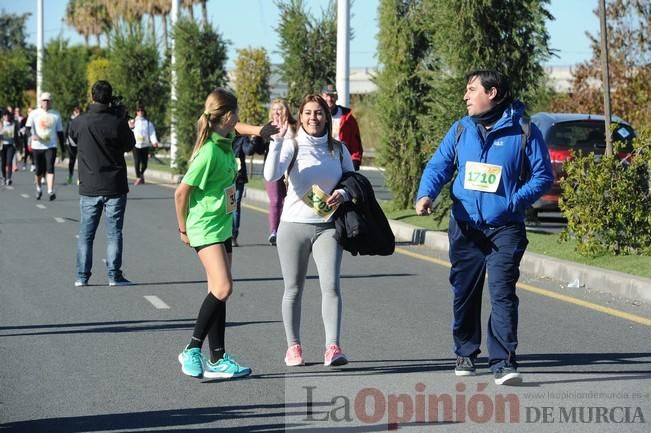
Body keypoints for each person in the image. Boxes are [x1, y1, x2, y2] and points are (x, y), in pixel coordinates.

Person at [415, 69, 553, 385]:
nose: (465, 96)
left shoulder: (523, 130)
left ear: (491, 93)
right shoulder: (462, 129)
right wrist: (426, 194)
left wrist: (512, 202)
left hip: (506, 228)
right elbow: (439, 165)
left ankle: (503, 362)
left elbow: (543, 176)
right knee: (464, 292)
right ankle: (465, 351)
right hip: (466, 227)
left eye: (471, 89)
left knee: (502, 292)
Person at [264, 94, 355, 367]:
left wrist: (342, 193)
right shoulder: (291, 146)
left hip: (327, 227)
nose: (313, 118)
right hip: (293, 227)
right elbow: (271, 175)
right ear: (300, 117)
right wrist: (276, 143)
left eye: (318, 113)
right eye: (307, 113)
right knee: (293, 288)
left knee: (331, 286)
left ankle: (333, 347)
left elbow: (354, 182)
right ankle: (293, 347)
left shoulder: (339, 149)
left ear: (326, 117)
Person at [174, 88, 252, 380]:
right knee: (223, 288)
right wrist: (183, 229)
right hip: (204, 226)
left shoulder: (224, 140)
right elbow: (181, 193)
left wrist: (260, 130)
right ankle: (192, 349)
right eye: (237, 114)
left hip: (221, 223)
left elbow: (239, 128)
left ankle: (218, 358)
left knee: (217, 292)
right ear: (228, 116)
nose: (239, 120)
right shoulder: (208, 152)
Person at [69, 80, 136, 287]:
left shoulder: (79, 122)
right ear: (109, 98)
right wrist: (122, 120)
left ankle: (82, 276)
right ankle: (114, 276)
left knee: (86, 234)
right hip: (114, 185)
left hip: (89, 185)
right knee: (114, 232)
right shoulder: (116, 122)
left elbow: (72, 146)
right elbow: (130, 145)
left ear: (92, 97)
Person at [264, 99, 297, 245]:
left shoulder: (295, 127)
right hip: (272, 168)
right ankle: (274, 231)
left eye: (279, 109)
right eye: (274, 109)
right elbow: (258, 148)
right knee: (276, 201)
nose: (276, 112)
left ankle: (287, 231)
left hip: (291, 168)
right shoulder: (268, 128)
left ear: (286, 110)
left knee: (289, 201)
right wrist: (254, 140)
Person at [25, 93, 64, 200]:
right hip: (37, 146)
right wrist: (32, 136)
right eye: (44, 100)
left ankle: (50, 191)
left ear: (51, 102)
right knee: (38, 170)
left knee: (50, 168)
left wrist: (63, 149)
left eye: (48, 101)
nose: (46, 103)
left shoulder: (56, 114)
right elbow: (27, 128)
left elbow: (60, 132)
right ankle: (38, 188)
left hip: (51, 146)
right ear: (40, 102)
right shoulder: (34, 113)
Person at [321, 84, 363, 171]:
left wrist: (355, 159)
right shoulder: (317, 116)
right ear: (322, 97)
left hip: (342, 160)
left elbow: (355, 141)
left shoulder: (348, 117)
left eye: (332, 96)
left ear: (337, 97)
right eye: (327, 95)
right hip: (321, 159)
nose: (329, 99)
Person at [130, 104, 160, 185]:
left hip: (145, 145)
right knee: (137, 162)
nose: (140, 112)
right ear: (136, 112)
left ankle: (141, 174)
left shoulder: (148, 123)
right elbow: (129, 132)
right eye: (139, 111)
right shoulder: (133, 122)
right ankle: (138, 177)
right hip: (136, 145)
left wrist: (154, 141)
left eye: (142, 111)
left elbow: (152, 133)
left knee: (144, 164)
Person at [65, 105, 82, 184]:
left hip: (80, 143)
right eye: (76, 112)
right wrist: (65, 141)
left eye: (79, 113)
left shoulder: (83, 121)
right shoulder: (70, 121)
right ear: (74, 113)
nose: (78, 114)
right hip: (70, 143)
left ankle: (80, 178)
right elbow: (66, 131)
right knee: (72, 160)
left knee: (81, 161)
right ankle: (70, 175)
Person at [1, 110, 19, 185]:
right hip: (2, 146)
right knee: (3, 163)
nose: (6, 117)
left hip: (10, 146)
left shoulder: (13, 124)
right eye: (5, 116)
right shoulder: (1, 124)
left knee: (9, 162)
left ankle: (9, 178)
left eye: (8, 115)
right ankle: (4, 177)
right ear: (3, 117)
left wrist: (18, 146)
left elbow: (16, 136)